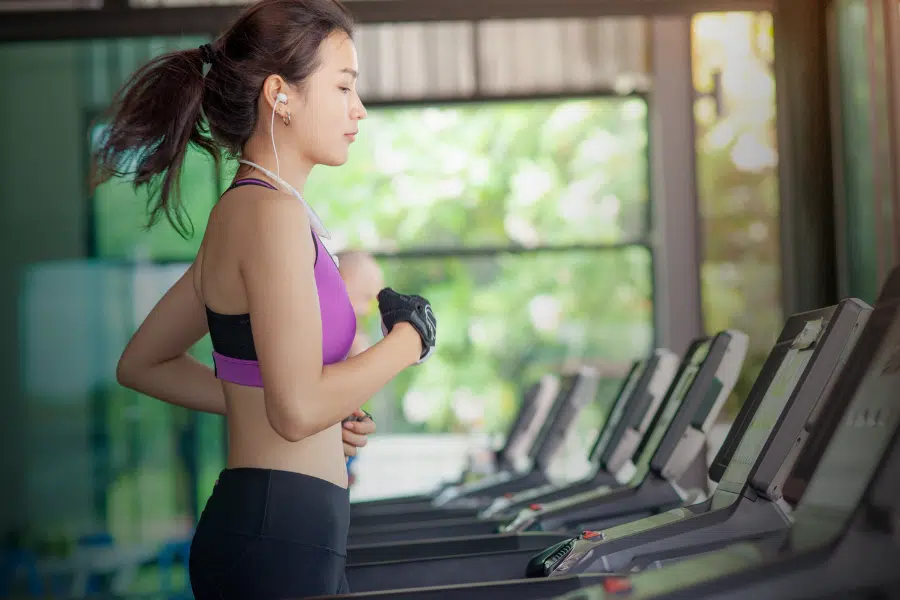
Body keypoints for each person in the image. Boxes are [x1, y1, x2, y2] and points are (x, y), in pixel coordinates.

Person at [92, 1, 437, 598]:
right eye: (343, 87)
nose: (358, 110)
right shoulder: (269, 215)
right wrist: (409, 341)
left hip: (285, 527)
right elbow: (298, 410)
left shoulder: (259, 210)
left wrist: (302, 407)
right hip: (279, 533)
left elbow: (144, 363)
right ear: (281, 94)